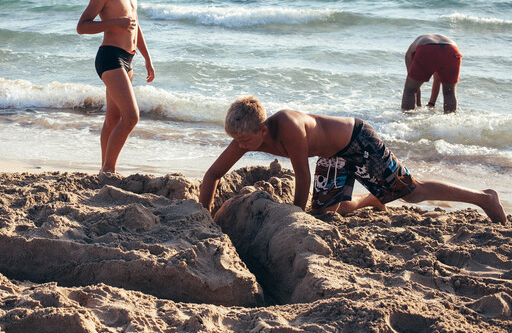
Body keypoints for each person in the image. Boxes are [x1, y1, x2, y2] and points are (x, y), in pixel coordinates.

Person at [199, 96, 507, 225]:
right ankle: (372, 200)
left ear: (262, 130)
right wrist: (203, 214)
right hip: (331, 154)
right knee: (324, 211)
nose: (240, 147)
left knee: (411, 193)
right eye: (236, 140)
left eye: (245, 141)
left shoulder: (289, 128)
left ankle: (483, 199)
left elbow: (302, 177)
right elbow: (213, 174)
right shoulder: (246, 135)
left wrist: (293, 215)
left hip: (357, 140)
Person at [76, 0, 155, 174]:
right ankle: (108, 170)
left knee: (113, 118)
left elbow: (135, 26)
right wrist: (114, 23)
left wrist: (147, 59)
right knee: (131, 117)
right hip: (109, 58)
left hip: (127, 59)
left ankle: (104, 168)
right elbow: (82, 26)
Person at [401, 34, 462, 113]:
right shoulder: (428, 39)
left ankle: (407, 119)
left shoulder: (409, 55)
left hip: (427, 49)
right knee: (449, 92)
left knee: (410, 90)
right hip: (452, 50)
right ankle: (451, 120)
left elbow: (413, 87)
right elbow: (437, 80)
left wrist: (418, 105)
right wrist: (431, 103)